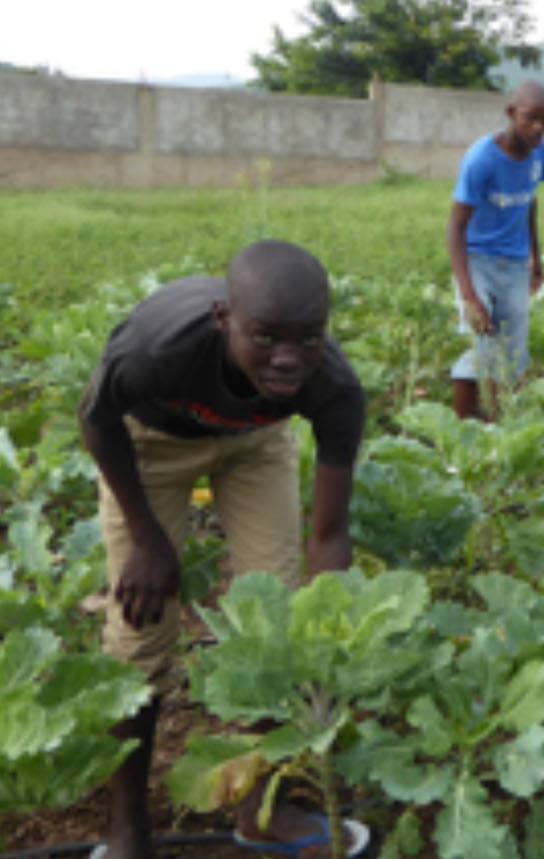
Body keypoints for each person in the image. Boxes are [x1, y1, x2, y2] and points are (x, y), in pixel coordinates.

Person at [79, 240, 367, 859]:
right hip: (150, 443)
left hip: (255, 443)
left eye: (307, 340)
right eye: (265, 339)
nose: (289, 360)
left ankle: (264, 808)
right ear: (223, 321)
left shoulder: (334, 386)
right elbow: (96, 421)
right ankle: (127, 828)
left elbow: (328, 533)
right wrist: (149, 541)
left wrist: (332, 635)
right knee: (140, 628)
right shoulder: (158, 348)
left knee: (278, 622)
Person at [447, 80, 544, 420]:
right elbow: (455, 227)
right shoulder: (482, 159)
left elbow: (529, 202)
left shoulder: (543, 151)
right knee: (480, 348)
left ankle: (502, 431)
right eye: (530, 119)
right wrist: (468, 294)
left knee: (512, 354)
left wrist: (536, 259)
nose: (537, 128)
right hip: (476, 259)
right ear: (511, 114)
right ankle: (463, 436)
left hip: (515, 263)